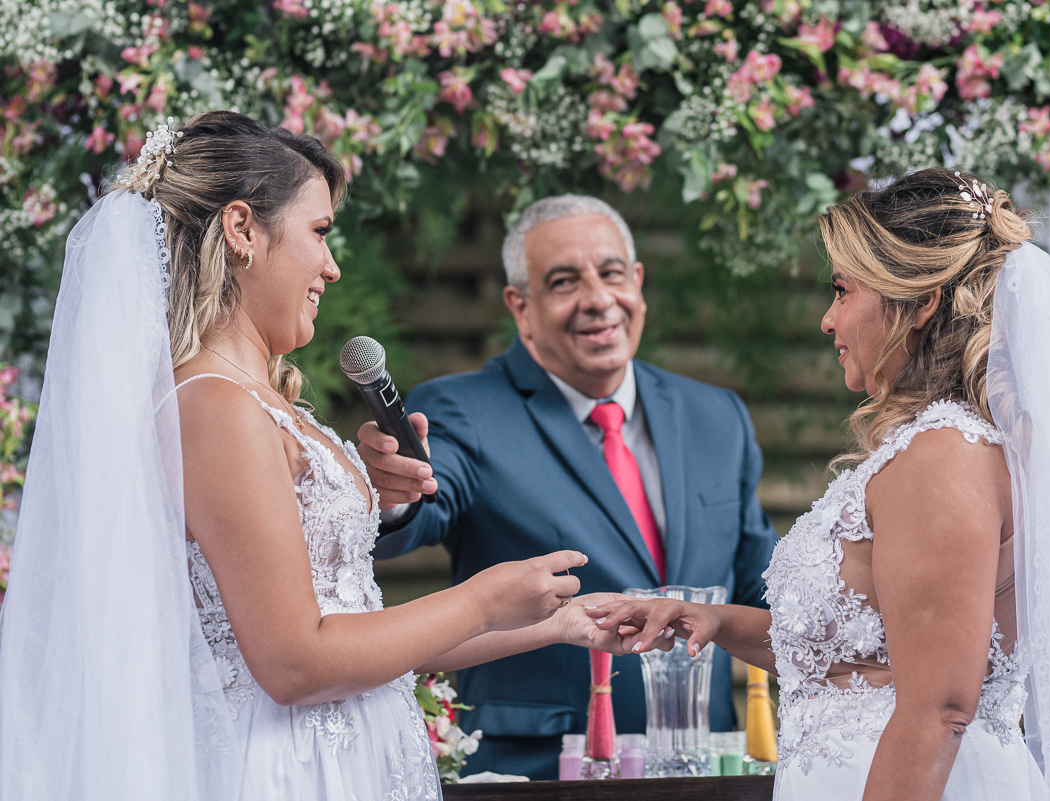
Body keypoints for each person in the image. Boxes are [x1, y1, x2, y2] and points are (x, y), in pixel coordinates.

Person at [0, 112, 627, 800]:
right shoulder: (214, 404)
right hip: (286, 771)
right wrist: (481, 598)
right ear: (242, 230)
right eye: (320, 232)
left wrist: (548, 622)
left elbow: (358, 634)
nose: (331, 265)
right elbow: (294, 661)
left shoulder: (260, 401)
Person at [587, 168, 1050, 800]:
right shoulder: (946, 448)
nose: (828, 320)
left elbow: (939, 710)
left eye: (843, 291)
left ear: (919, 302)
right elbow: (864, 656)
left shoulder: (942, 458)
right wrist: (710, 618)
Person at [357, 194, 778, 779]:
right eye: (563, 282)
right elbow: (425, 499)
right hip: (541, 775)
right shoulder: (464, 409)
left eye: (610, 274)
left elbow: (766, 593)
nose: (598, 300)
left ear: (637, 282)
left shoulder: (715, 416)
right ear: (520, 307)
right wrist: (396, 498)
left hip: (705, 771)